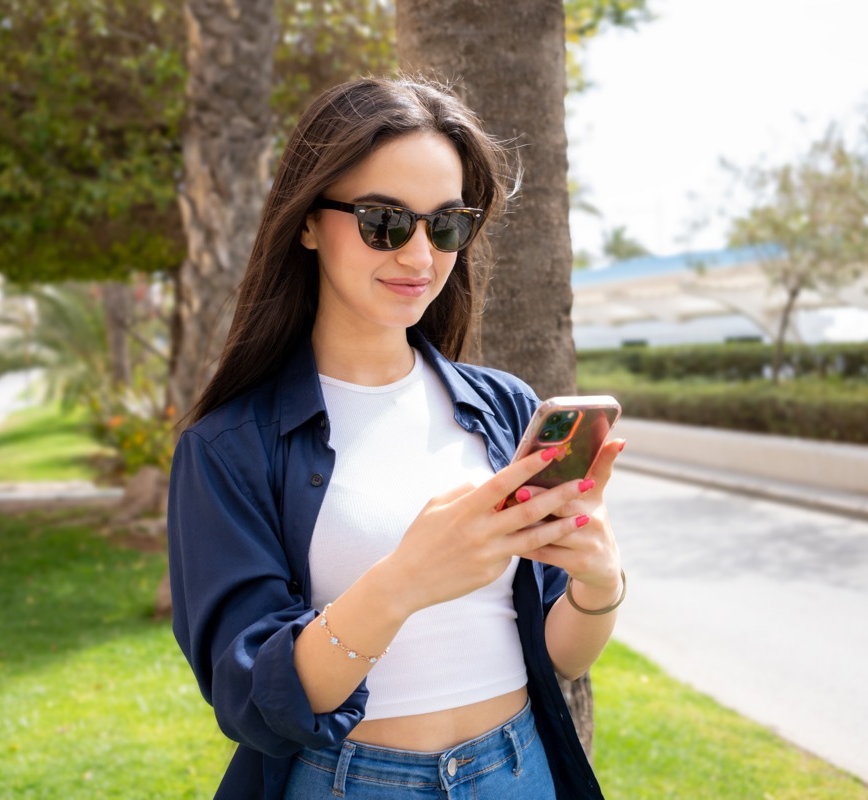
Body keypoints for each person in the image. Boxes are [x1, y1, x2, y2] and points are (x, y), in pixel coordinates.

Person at [168, 76, 626, 800]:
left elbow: (553, 658)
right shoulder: (230, 448)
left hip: (518, 771)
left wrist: (600, 583)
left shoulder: (505, 408)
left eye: (446, 225)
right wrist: (407, 578)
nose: (420, 258)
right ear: (308, 222)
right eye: (384, 221)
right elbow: (255, 698)